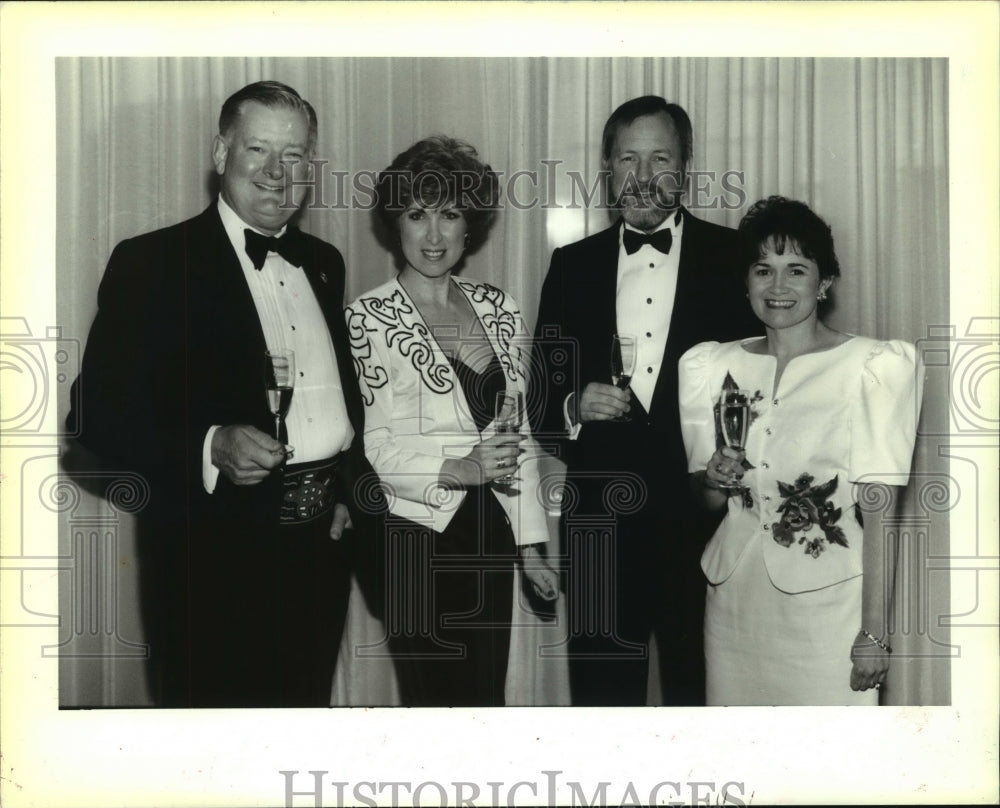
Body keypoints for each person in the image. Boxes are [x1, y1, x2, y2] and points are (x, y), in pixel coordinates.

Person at [67, 81, 379, 707]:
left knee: (300, 730)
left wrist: (346, 483)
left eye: (293, 156)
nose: (275, 173)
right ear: (220, 154)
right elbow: (92, 421)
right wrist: (210, 444)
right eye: (257, 149)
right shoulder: (152, 262)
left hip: (320, 554)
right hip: (209, 562)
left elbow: (333, 395)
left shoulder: (324, 261)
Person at [531, 95, 760, 705]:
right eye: (627, 158)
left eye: (660, 158)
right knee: (603, 699)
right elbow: (537, 403)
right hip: (600, 526)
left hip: (709, 523)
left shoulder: (737, 260)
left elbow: (770, 387)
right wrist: (573, 408)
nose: (642, 175)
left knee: (703, 695)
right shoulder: (571, 266)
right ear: (607, 167)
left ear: (685, 167)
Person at [678, 196, 924, 705]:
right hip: (733, 606)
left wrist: (874, 634)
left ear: (824, 281)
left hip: (830, 611)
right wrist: (710, 481)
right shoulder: (709, 365)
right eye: (762, 270)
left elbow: (882, 514)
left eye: (796, 270)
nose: (778, 287)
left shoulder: (872, 365)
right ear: (745, 282)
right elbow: (702, 500)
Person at [345, 136, 559, 706]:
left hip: (489, 533)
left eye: (450, 214)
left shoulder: (500, 307)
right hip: (413, 539)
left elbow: (518, 437)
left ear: (471, 225)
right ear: (397, 223)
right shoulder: (366, 318)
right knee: (434, 705)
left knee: (484, 700)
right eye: (417, 215)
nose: (434, 235)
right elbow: (374, 449)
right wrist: (460, 468)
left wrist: (531, 545)